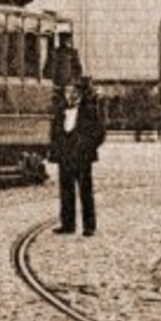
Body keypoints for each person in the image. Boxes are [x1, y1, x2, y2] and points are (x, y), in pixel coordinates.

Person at [47, 76, 106, 236]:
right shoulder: (60, 110)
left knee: (85, 191)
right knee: (66, 191)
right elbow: (55, 132)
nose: (70, 95)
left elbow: (100, 132)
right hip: (65, 156)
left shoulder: (89, 110)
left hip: (82, 156)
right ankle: (68, 224)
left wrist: (88, 147)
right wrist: (56, 149)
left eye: (73, 91)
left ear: (79, 93)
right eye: (67, 91)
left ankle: (89, 226)